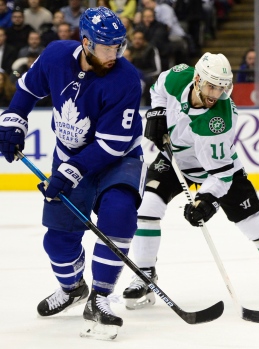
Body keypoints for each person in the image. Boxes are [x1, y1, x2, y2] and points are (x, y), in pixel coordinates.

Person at [0, 7, 143, 340]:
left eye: (119, 46)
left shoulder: (124, 79)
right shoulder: (56, 55)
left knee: (119, 213)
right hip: (70, 156)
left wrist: (70, 171)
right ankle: (73, 287)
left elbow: (110, 146)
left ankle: (101, 297)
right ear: (86, 42)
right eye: (107, 47)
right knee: (58, 242)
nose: (115, 54)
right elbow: (27, 90)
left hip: (118, 160)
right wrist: (12, 122)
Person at [121, 52, 259, 309]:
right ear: (197, 79)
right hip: (175, 160)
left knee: (254, 222)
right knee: (147, 208)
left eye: (221, 88)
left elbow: (221, 175)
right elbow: (158, 88)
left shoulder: (220, 120)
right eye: (211, 86)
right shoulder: (177, 77)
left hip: (216, 169)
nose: (215, 93)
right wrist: (157, 112)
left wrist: (206, 199)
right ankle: (144, 273)